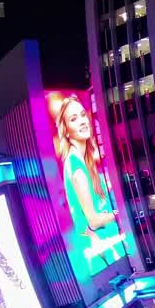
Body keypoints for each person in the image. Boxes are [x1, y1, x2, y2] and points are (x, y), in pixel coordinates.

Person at [48, 93, 123, 272]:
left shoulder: (79, 161)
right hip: (103, 256)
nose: (82, 121)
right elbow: (94, 221)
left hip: (104, 251)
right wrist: (120, 213)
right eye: (74, 119)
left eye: (83, 115)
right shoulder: (77, 168)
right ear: (65, 130)